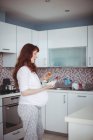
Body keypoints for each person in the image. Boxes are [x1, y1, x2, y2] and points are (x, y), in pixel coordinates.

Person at [13, 43, 55, 140]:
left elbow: (33, 85)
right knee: (31, 136)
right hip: (28, 107)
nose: (36, 56)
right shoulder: (23, 70)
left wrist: (42, 79)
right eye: (35, 53)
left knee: (39, 131)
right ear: (28, 54)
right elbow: (25, 92)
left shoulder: (29, 69)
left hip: (35, 106)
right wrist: (45, 88)